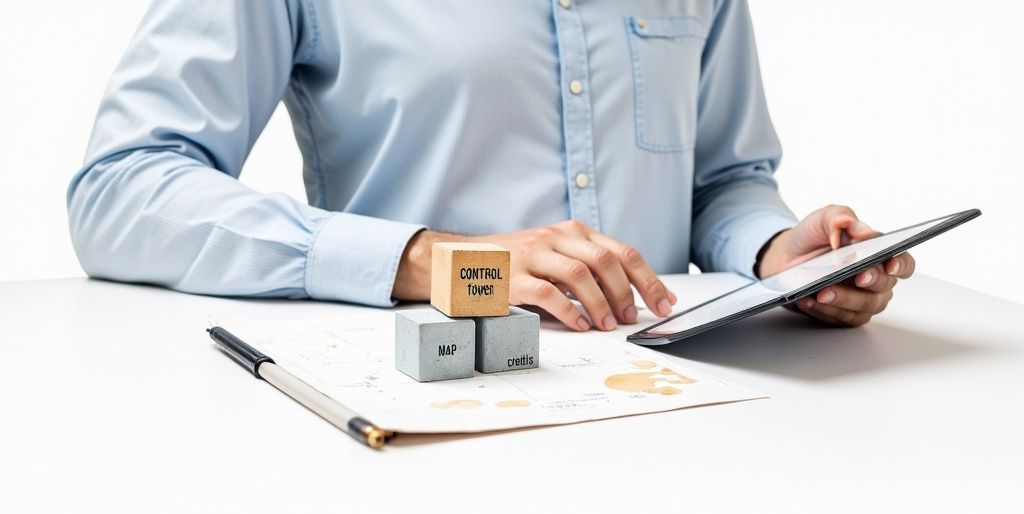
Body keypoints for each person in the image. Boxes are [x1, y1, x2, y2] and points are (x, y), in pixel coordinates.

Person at [68, 0, 914, 332]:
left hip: (679, 414)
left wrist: (775, 255)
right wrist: (435, 260)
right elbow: (122, 187)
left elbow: (723, 180)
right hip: (416, 416)